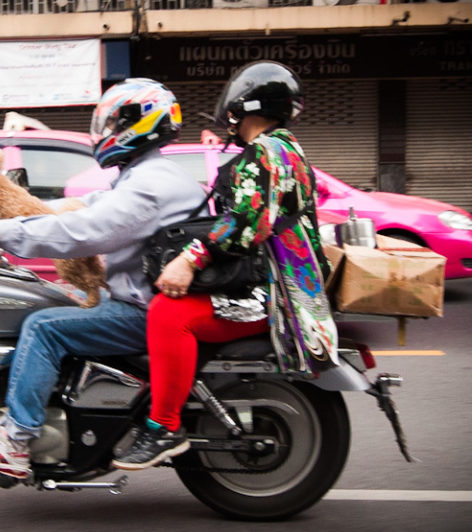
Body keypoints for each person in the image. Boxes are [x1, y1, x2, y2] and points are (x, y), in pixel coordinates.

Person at [0, 79, 206, 479]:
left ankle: (14, 441)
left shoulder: (150, 185)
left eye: (113, 124)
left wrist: (4, 233)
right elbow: (83, 206)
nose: (104, 133)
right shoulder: (145, 175)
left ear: (140, 125)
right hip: (139, 299)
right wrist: (11, 214)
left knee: (43, 327)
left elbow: (85, 231)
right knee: (50, 305)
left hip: (141, 309)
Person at [112, 60, 339, 470]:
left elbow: (246, 228)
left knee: (167, 313)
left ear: (247, 105)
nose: (228, 117)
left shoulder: (266, 152)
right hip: (286, 286)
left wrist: (188, 258)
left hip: (278, 296)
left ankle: (162, 427)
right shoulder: (286, 147)